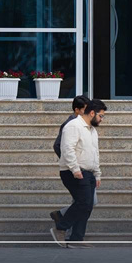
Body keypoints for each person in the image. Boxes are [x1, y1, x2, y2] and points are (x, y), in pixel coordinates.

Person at [50, 99, 107, 249]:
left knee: (88, 205)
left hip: (89, 173)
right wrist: (75, 169)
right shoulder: (73, 126)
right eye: (101, 116)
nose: (102, 119)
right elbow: (67, 149)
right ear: (92, 113)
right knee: (83, 202)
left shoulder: (92, 130)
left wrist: (97, 174)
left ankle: (76, 238)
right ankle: (60, 228)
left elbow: (95, 153)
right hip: (73, 172)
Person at [52, 96, 92, 239]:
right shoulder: (70, 124)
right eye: (85, 110)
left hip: (85, 169)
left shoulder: (85, 124)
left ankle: (74, 234)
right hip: (75, 170)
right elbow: (58, 145)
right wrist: (71, 163)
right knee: (86, 201)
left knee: (86, 201)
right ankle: (64, 224)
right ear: (77, 110)